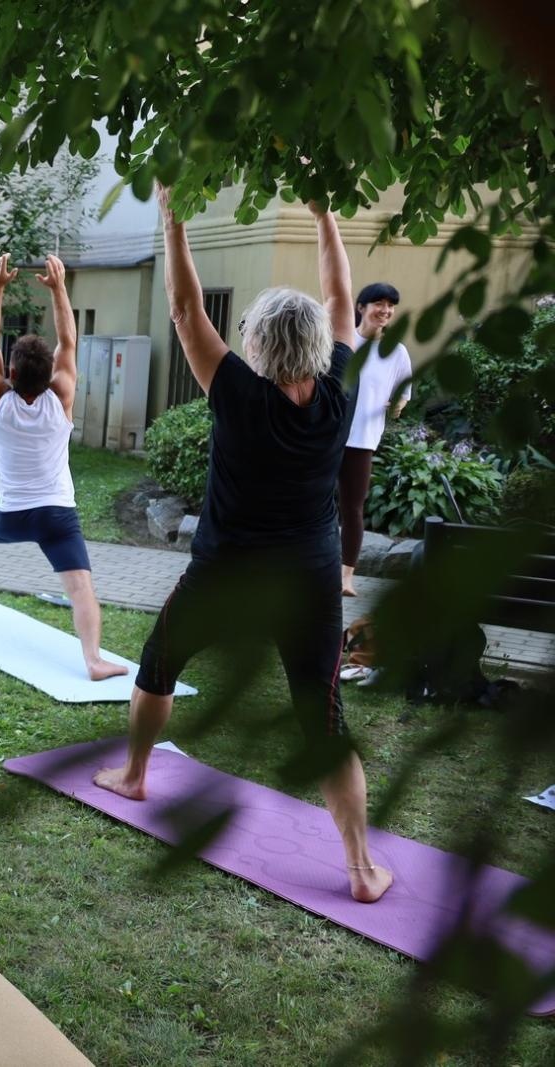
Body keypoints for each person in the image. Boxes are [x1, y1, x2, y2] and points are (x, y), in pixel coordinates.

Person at [92, 187, 394, 905]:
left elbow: (186, 311)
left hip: (223, 571)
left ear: (255, 343)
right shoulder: (337, 393)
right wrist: (325, 214)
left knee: (159, 661)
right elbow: (342, 298)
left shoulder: (235, 392)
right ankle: (359, 867)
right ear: (318, 344)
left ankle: (134, 774)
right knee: (322, 717)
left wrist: (172, 219)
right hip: (311, 580)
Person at [0, 252, 128, 682]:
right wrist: (59, 287)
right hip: (58, 516)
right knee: (81, 586)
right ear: (50, 375)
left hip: (11, 517)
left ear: (10, 372)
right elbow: (69, 342)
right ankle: (94, 660)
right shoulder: (61, 396)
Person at [339, 282, 411, 595]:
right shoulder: (343, 341)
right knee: (313, 503)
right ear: (361, 307)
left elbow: (403, 397)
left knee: (353, 508)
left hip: (363, 440)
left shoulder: (396, 352)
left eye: (390, 305)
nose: (385, 310)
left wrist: (395, 406)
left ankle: (345, 578)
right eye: (378, 303)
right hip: (328, 437)